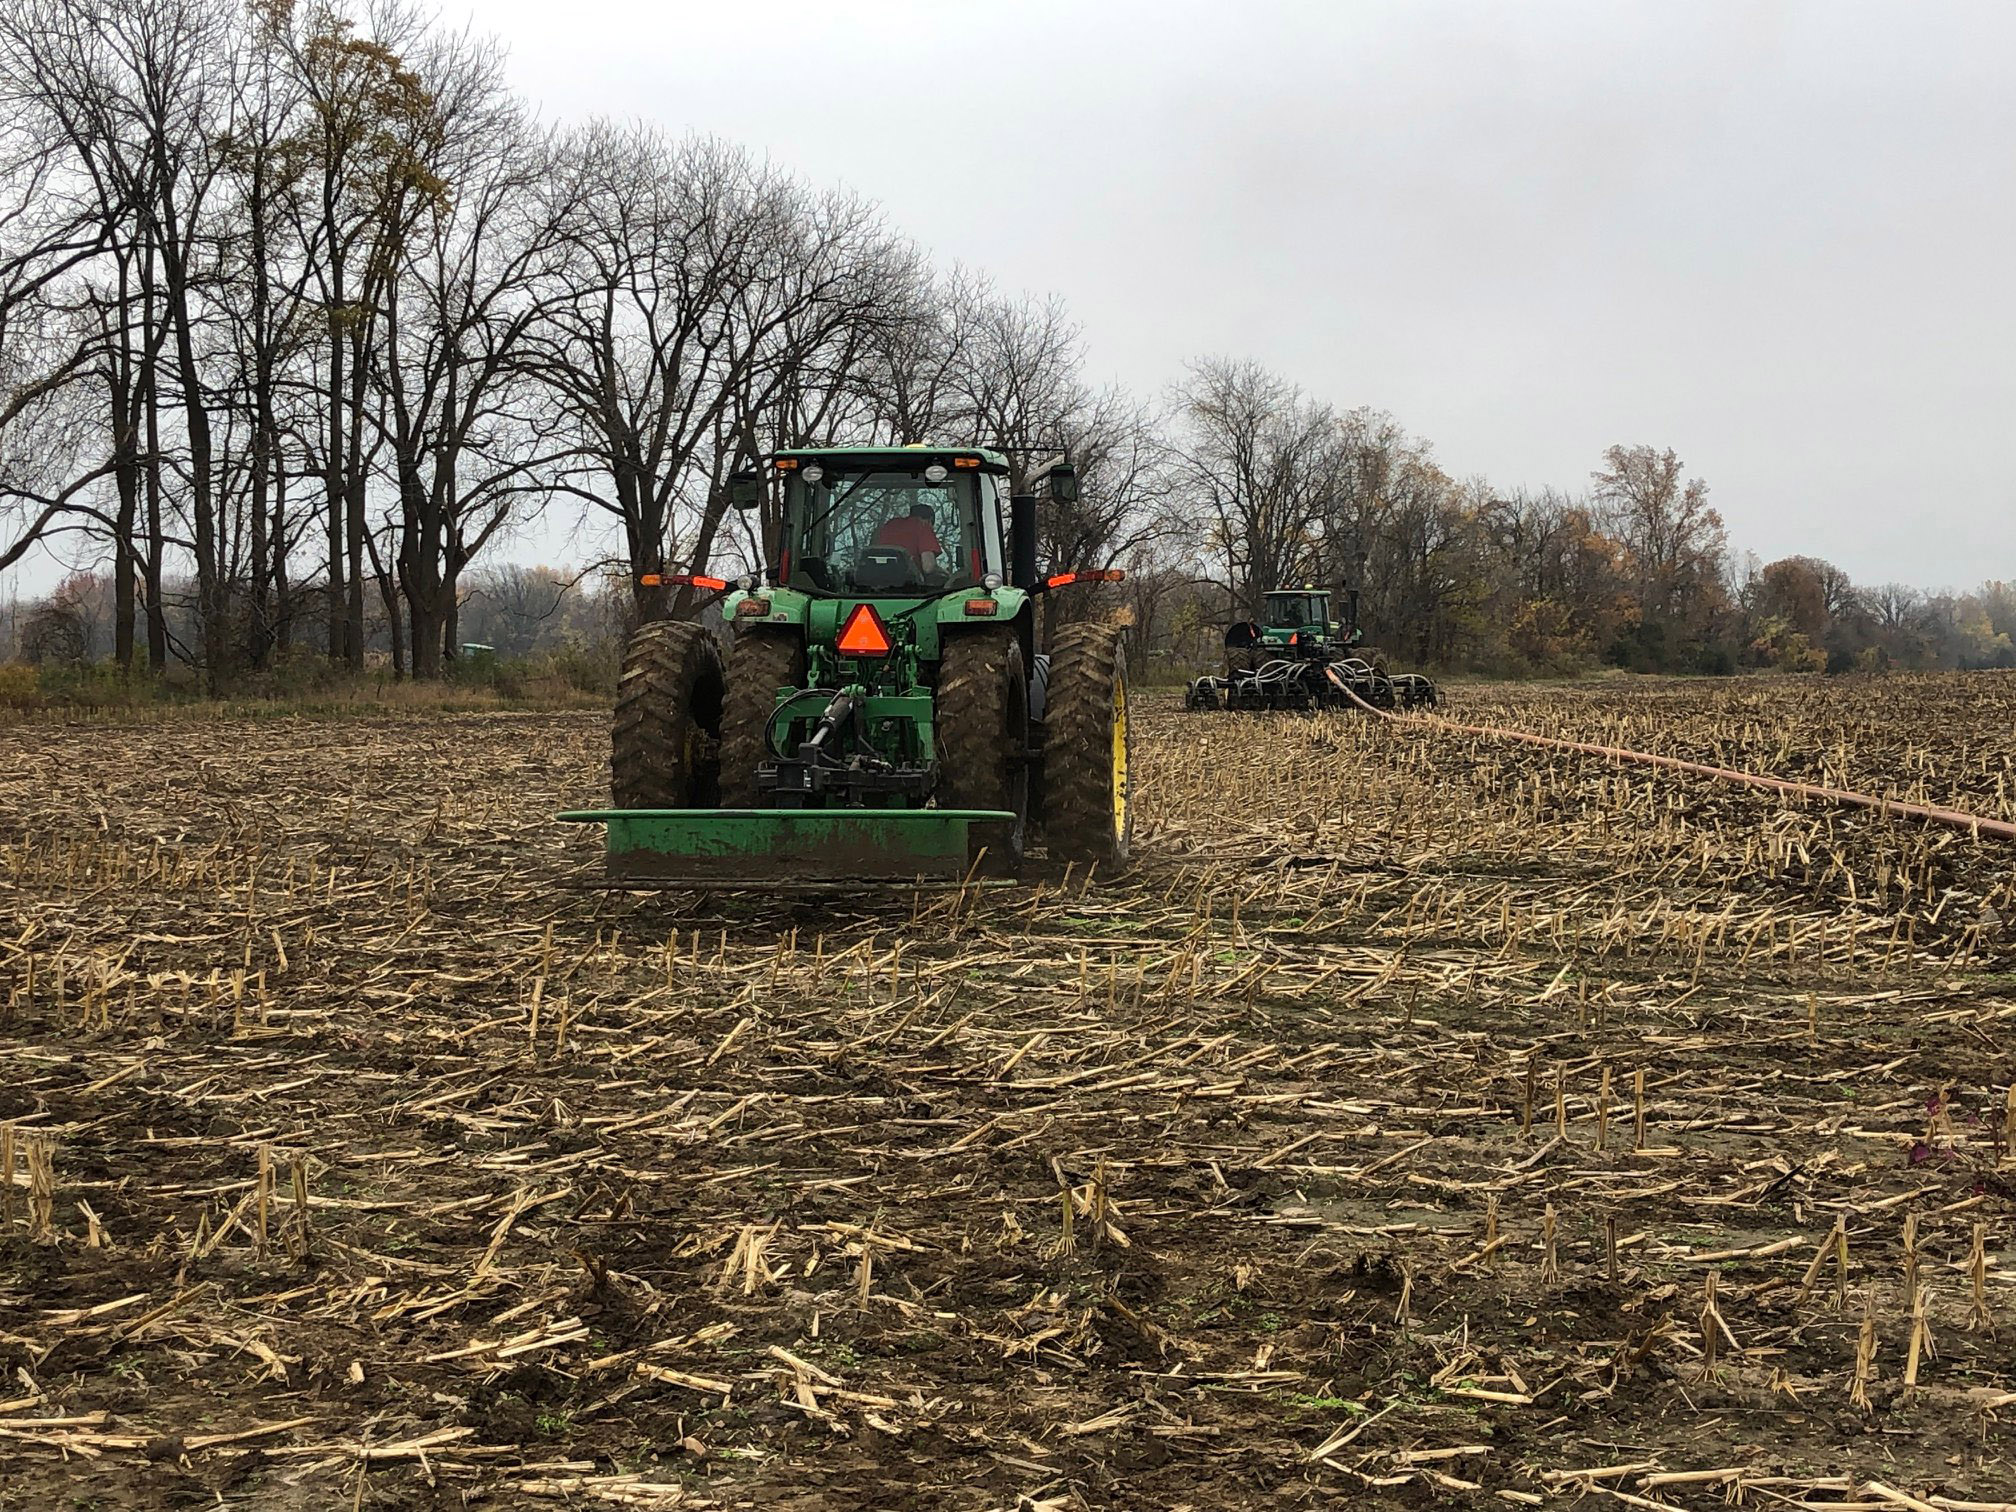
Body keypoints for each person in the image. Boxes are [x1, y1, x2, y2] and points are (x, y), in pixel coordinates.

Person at [871, 502, 943, 575]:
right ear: (929, 520)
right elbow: (928, 567)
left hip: (877, 576)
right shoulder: (923, 525)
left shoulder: (889, 525)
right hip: (905, 580)